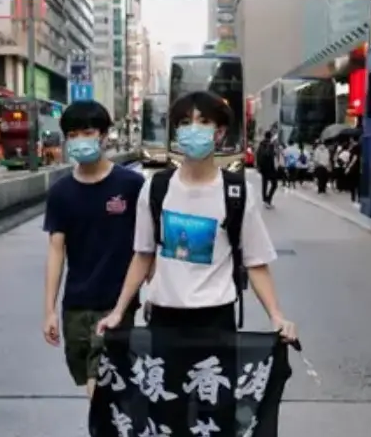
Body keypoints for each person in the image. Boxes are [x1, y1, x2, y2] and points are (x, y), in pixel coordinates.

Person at [97, 88, 297, 382]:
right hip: (164, 317)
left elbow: (256, 263)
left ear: (219, 132)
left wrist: (276, 316)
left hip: (216, 318)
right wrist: (118, 311)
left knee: (214, 414)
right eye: (185, 123)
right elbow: (143, 255)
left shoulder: (238, 193)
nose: (194, 130)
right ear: (176, 132)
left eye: (203, 122)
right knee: (166, 413)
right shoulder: (156, 189)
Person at [41, 99, 145, 437]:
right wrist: (49, 310)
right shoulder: (62, 193)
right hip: (76, 306)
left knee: (102, 386)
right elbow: (56, 251)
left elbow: (146, 246)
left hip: (119, 305)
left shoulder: (131, 186)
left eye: (89, 133)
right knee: (92, 384)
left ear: (104, 136)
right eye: (73, 135)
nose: (81, 141)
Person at [256, 130, 279, 208]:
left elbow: (258, 155)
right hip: (270, 168)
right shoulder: (271, 145)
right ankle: (268, 200)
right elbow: (271, 156)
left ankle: (265, 200)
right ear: (270, 137)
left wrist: (258, 166)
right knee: (275, 184)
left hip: (263, 168)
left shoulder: (261, 144)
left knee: (264, 184)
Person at [344, 140, 361, 206]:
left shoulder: (355, 148)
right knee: (358, 184)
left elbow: (354, 158)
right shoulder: (359, 148)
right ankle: (358, 198)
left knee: (353, 184)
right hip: (358, 169)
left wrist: (348, 168)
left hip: (354, 169)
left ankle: (353, 198)